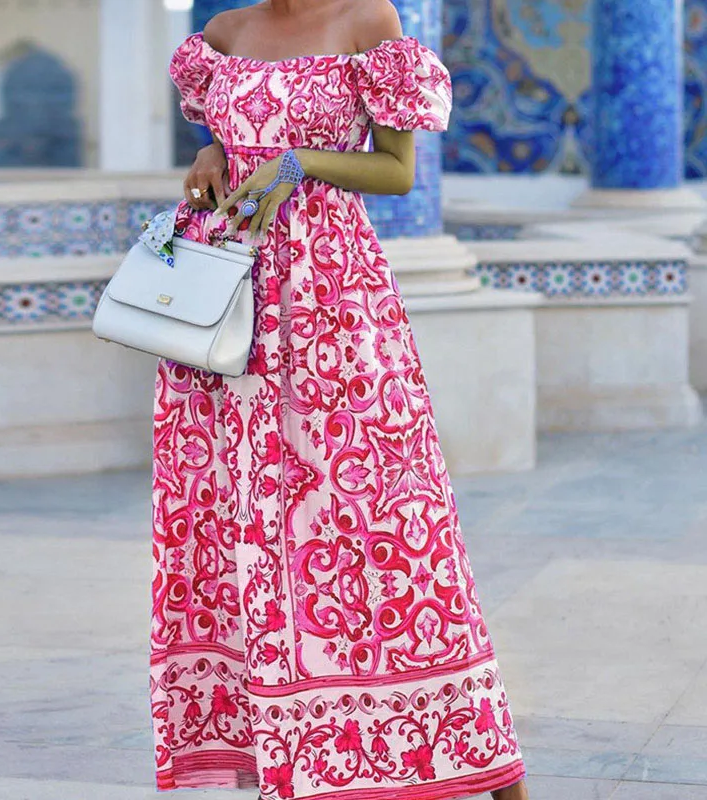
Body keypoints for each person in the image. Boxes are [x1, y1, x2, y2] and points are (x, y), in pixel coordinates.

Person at [149, 1, 530, 799]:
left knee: (389, 516)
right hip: (231, 306)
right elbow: (228, 133)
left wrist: (298, 165)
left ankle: (486, 759)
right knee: (245, 522)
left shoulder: (368, 19)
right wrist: (211, 153)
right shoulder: (222, 34)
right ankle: (296, 755)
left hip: (333, 300)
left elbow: (397, 170)